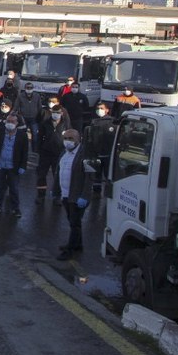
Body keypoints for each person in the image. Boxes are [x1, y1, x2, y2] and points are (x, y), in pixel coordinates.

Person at [56, 129, 93, 260]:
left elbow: (90, 177)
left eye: (71, 138)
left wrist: (85, 195)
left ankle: (70, 250)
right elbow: (58, 171)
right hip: (66, 194)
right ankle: (78, 244)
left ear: (78, 139)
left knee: (74, 223)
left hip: (76, 196)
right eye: (66, 138)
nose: (68, 141)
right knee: (73, 221)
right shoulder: (64, 153)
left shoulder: (86, 154)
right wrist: (56, 190)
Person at [0, 114, 28, 218]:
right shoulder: (0, 132)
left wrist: (23, 166)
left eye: (12, 122)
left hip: (13, 166)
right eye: (8, 121)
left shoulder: (22, 135)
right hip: (0, 165)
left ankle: (15, 209)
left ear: (17, 123)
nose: (10, 124)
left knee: (14, 188)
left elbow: (25, 152)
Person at [36, 105, 68, 205]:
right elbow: (39, 137)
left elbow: (70, 137)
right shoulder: (45, 123)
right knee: (41, 174)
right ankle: (41, 196)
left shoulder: (66, 124)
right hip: (45, 153)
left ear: (62, 113)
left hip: (59, 154)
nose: (56, 114)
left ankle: (57, 196)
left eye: (58, 112)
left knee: (57, 175)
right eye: (54, 112)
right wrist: (39, 150)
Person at [83, 102, 116, 197]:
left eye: (101, 108)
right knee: (96, 174)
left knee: (108, 175)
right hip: (96, 153)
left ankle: (109, 193)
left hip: (108, 154)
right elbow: (89, 138)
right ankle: (96, 192)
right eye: (98, 108)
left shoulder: (113, 122)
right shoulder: (94, 122)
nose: (99, 110)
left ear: (107, 110)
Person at [15, 83, 41, 152]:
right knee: (22, 134)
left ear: (33, 88)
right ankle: (21, 149)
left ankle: (34, 150)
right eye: (27, 87)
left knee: (35, 135)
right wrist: (14, 114)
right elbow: (16, 106)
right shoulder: (20, 96)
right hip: (24, 118)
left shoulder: (37, 96)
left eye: (30, 87)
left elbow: (39, 107)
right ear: (25, 88)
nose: (29, 89)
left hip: (34, 118)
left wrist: (39, 116)